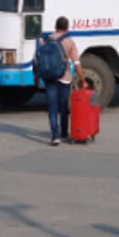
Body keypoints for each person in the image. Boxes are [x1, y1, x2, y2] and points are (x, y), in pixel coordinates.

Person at [33, 16, 80, 146]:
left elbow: (37, 61)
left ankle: (55, 136)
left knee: (52, 107)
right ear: (67, 27)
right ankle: (64, 133)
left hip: (49, 78)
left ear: (55, 26)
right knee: (63, 106)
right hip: (64, 78)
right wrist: (82, 78)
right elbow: (76, 63)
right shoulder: (69, 41)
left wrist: (36, 78)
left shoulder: (45, 40)